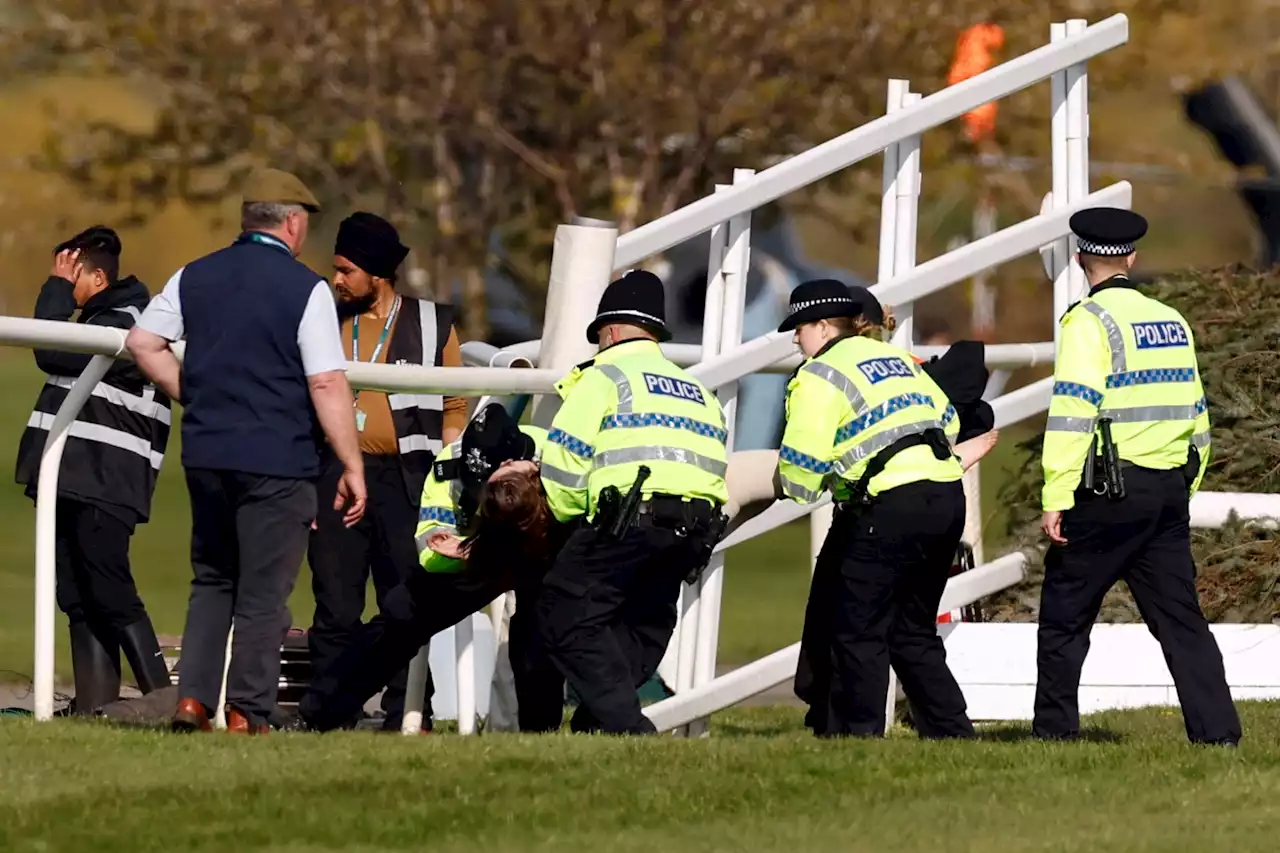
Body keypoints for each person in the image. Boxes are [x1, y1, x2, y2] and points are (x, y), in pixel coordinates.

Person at [126, 168, 367, 735]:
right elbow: (327, 383)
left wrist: (195, 392)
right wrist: (351, 463)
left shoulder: (195, 274)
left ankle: (193, 703)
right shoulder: (305, 288)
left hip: (208, 451)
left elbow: (143, 342)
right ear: (292, 222)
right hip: (277, 458)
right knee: (265, 591)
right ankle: (247, 709)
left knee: (211, 580)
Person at [1036, 207, 1240, 746]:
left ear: (1081, 259)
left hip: (1107, 492)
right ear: (1132, 257)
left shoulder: (1087, 322)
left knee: (1064, 615)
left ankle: (1055, 733)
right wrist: (1183, 485)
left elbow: (1073, 412)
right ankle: (1218, 734)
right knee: (1181, 621)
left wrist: (1057, 492)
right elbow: (1198, 414)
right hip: (1167, 490)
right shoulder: (1171, 320)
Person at [777, 278, 984, 739]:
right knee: (913, 631)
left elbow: (801, 473)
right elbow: (949, 419)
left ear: (825, 327)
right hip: (946, 497)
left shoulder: (819, 374)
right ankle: (954, 734)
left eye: (800, 327)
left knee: (858, 630)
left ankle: (860, 739)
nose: (795, 338)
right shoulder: (894, 358)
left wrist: (801, 483)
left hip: (890, 506)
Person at [536, 270, 729, 735]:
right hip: (694, 528)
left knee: (562, 611)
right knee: (643, 624)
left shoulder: (606, 376)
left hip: (629, 519)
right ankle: (597, 725)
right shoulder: (698, 391)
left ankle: (628, 727)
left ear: (613, 330)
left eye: (599, 338)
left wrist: (561, 515)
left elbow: (563, 462)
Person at [294, 403, 566, 733]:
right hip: (478, 554)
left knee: (542, 627)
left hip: (545, 550)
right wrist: (457, 552)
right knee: (399, 617)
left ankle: (545, 732)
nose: (480, 494)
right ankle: (317, 715)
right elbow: (428, 548)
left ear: (515, 462)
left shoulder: (559, 453)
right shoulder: (450, 466)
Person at [308, 211, 466, 732]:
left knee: (404, 598)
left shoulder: (432, 322)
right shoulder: (323, 317)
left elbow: (454, 408)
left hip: (409, 481)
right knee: (335, 603)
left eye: (346, 269)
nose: (336, 279)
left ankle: (409, 709)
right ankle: (330, 713)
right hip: (334, 477)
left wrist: (447, 490)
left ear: (377, 273)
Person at [15, 226, 172, 713]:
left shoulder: (129, 319)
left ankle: (164, 699)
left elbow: (51, 349)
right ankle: (94, 707)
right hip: (74, 474)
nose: (62, 280)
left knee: (108, 586)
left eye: (70, 272)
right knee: (77, 594)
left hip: (106, 477)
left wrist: (54, 291)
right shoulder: (102, 316)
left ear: (97, 276)